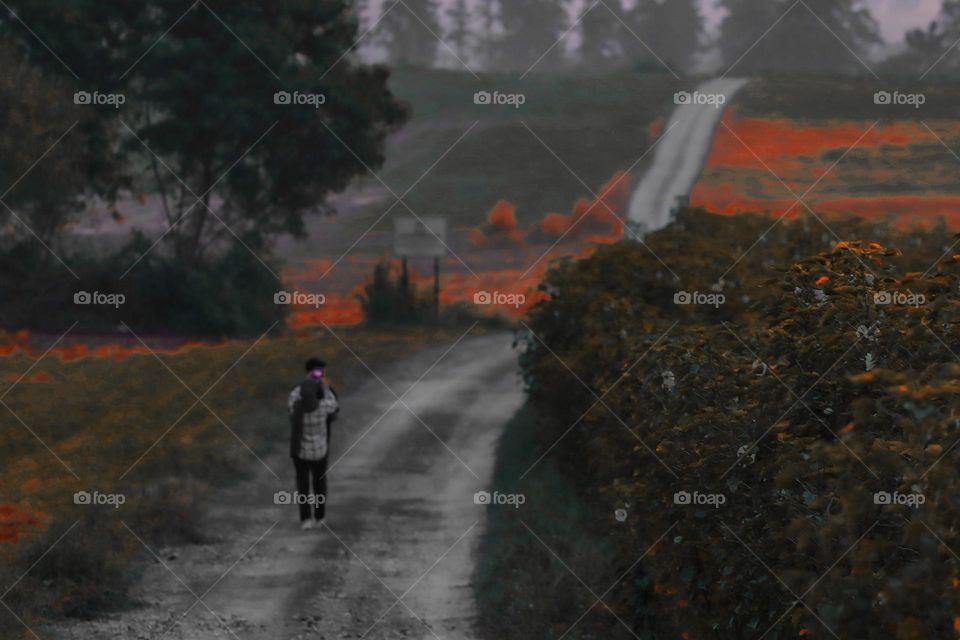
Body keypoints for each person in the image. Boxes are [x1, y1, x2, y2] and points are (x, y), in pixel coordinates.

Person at [288, 357, 339, 530]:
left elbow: (290, 408)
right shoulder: (323, 401)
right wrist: (325, 388)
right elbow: (334, 407)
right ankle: (320, 516)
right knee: (320, 483)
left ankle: (305, 519)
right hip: (321, 447)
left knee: (302, 484)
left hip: (299, 448)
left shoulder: (297, 393)